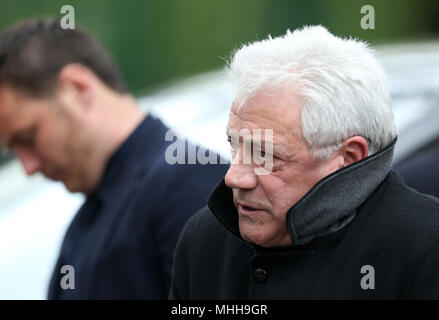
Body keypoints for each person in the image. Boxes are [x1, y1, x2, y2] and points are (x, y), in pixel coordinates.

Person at [170, 26, 439, 299]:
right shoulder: (206, 240)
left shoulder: (425, 250)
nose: (234, 177)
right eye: (234, 145)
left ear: (348, 158)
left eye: (264, 154)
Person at [0, 18, 228, 299]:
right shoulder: (87, 223)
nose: (28, 167)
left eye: (28, 137)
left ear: (77, 88)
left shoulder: (189, 183)